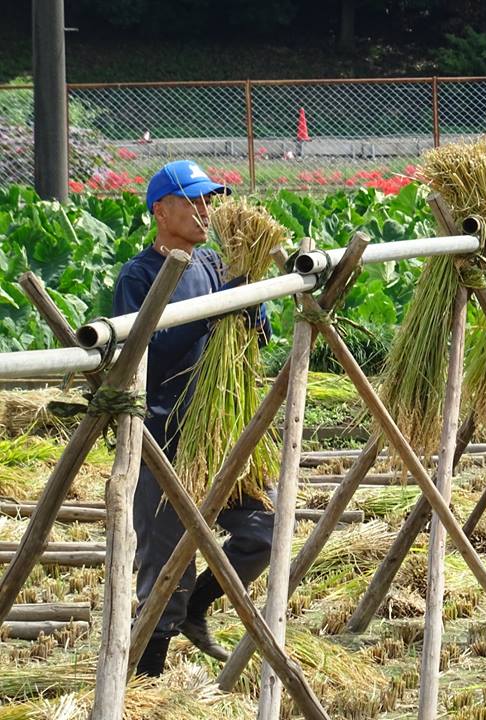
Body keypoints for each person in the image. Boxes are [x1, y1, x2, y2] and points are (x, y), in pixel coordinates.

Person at [113, 160, 274, 676]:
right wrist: (216, 310)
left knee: (264, 533)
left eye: (209, 200)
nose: (206, 210)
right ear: (160, 211)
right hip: (163, 438)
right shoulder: (139, 276)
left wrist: (250, 306)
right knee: (166, 573)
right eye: (193, 201)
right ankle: (145, 686)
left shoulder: (214, 266)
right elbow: (144, 353)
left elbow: (259, 336)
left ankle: (198, 609)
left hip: (220, 433)